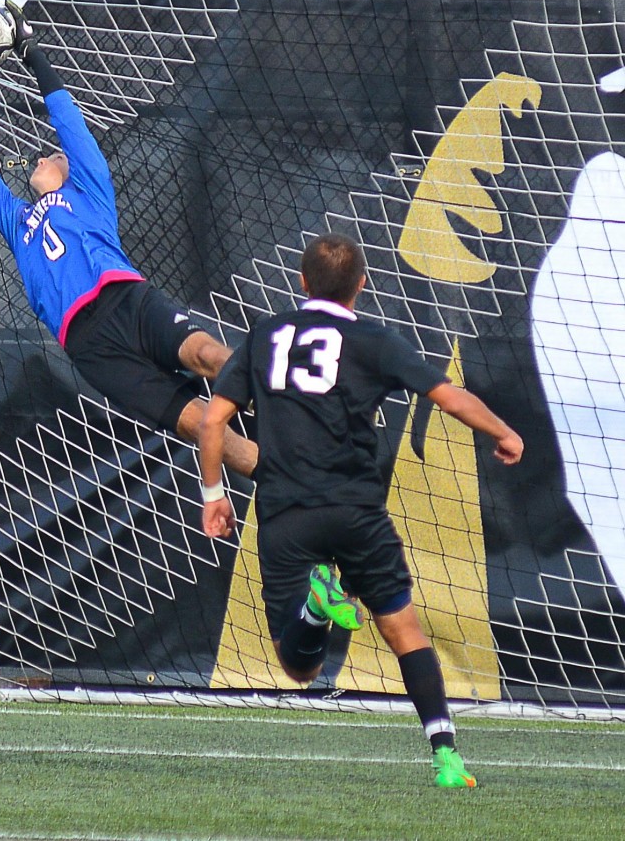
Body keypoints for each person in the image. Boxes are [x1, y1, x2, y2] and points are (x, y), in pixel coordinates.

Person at [198, 232, 523, 788]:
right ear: (362, 285)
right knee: (405, 631)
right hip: (356, 510)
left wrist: (213, 495)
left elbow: (211, 422)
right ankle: (445, 756)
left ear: (301, 282)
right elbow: (447, 396)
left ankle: (316, 610)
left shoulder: (266, 335)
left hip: (286, 511)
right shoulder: (373, 339)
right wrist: (504, 431)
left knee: (301, 668)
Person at [0, 1, 257, 478]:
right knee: (197, 423)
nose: (41, 158)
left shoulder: (89, 188)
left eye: (52, 155)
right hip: (87, 344)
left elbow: (68, 123)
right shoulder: (17, 220)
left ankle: (288, 400)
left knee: (207, 355)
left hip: (127, 300)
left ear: (70, 168)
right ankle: (283, 479)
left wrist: (31, 52)